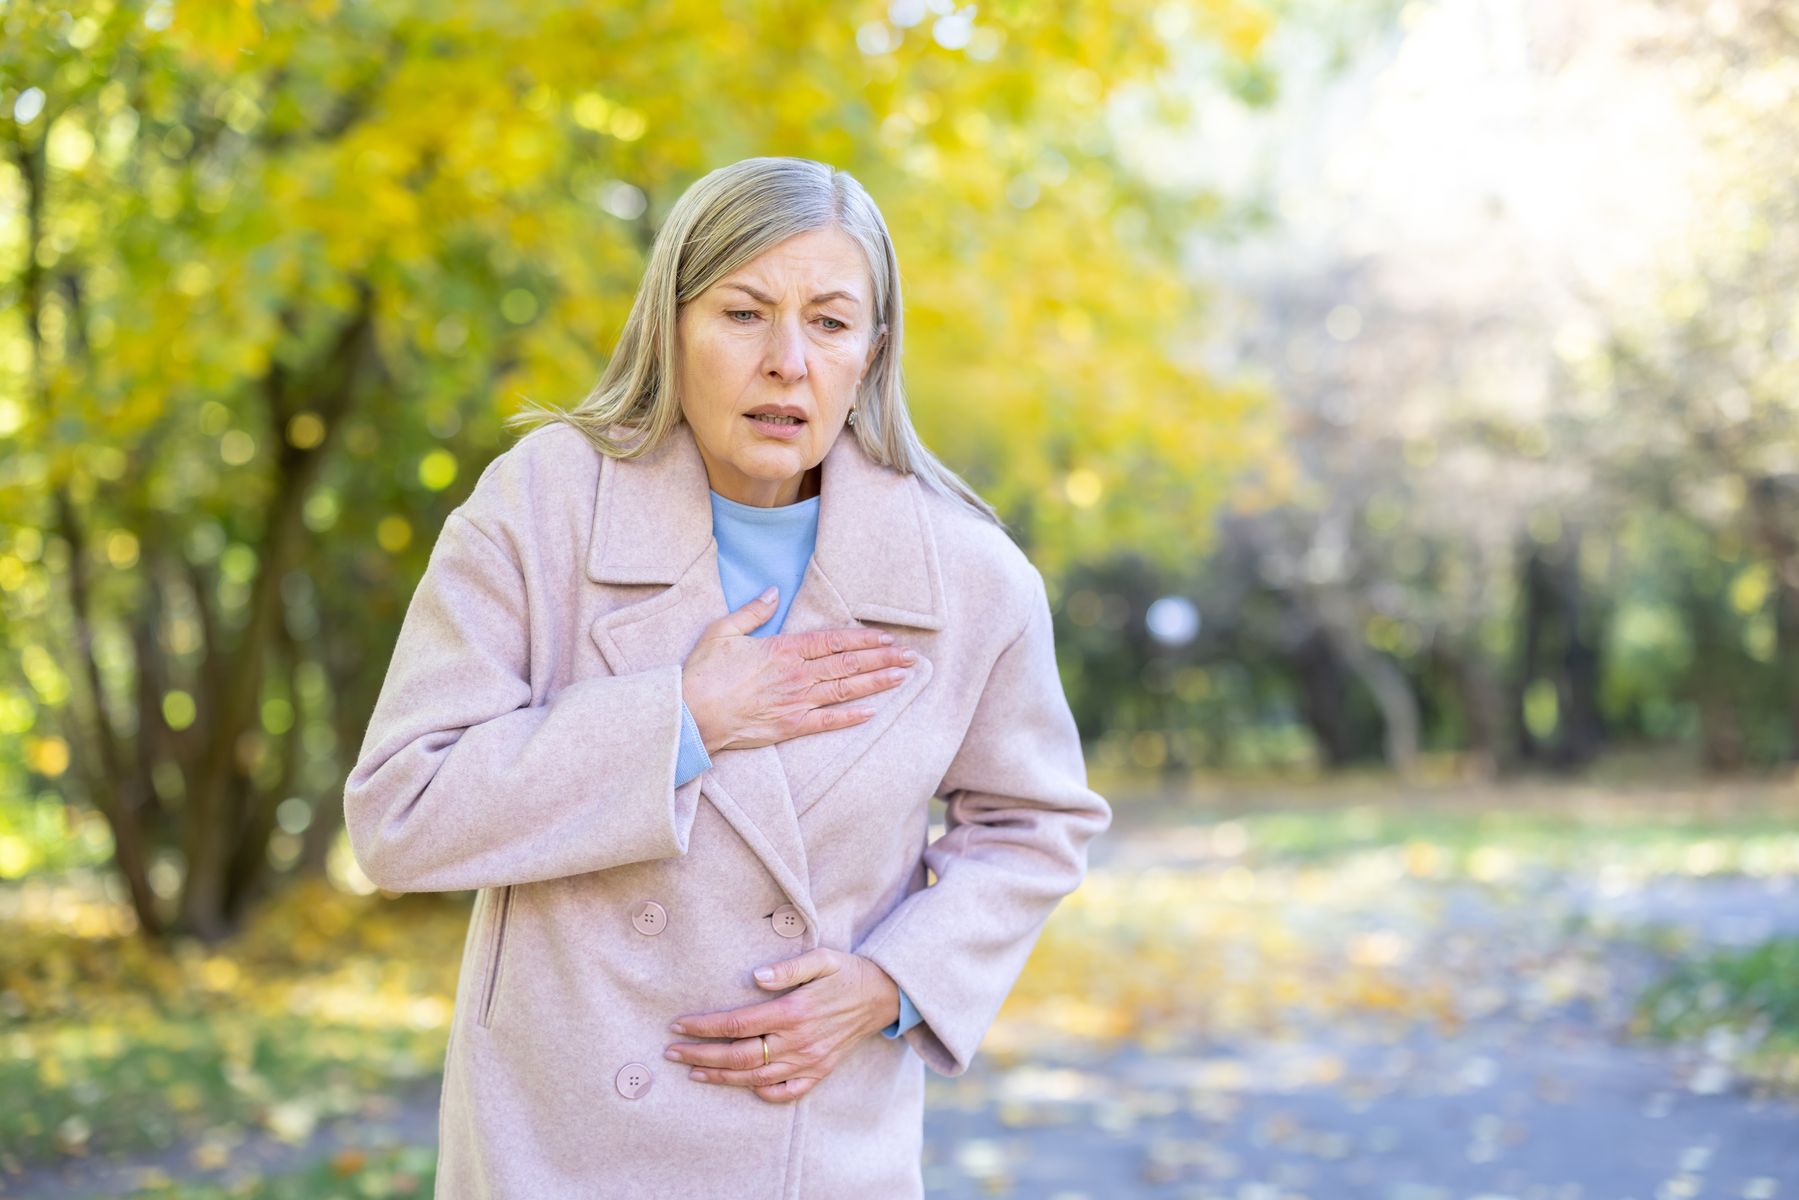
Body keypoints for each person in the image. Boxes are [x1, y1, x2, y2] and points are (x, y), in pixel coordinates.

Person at [343, 155, 1112, 1199]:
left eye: (829, 323)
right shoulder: (543, 506)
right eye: (743, 313)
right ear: (671, 327)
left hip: (815, 1144)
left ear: (872, 351)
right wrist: (678, 722)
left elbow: (1033, 825)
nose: (787, 362)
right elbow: (400, 813)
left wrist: (890, 983)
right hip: (554, 1143)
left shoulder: (968, 576)